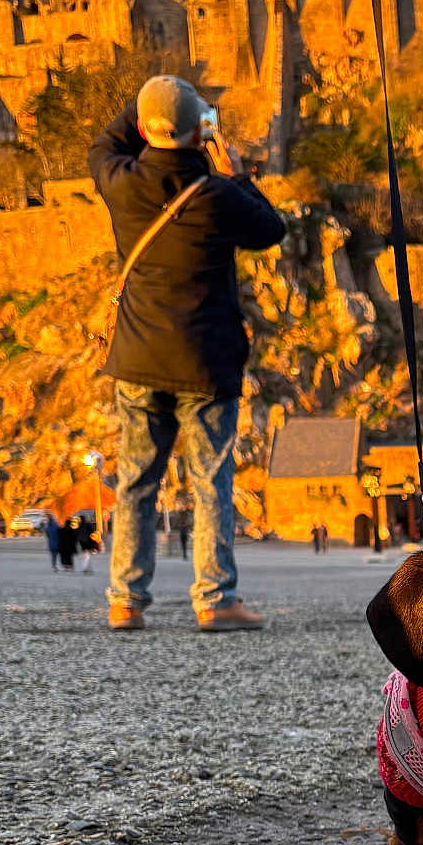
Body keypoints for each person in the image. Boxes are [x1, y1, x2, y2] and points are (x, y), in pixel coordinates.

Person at [89, 75, 286, 632]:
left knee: (135, 481)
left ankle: (126, 599)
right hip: (205, 360)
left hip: (139, 357)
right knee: (210, 482)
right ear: (198, 131)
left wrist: (153, 107)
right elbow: (272, 229)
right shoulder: (220, 197)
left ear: (148, 128)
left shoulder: (121, 182)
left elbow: (105, 141)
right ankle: (215, 600)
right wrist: (235, 171)